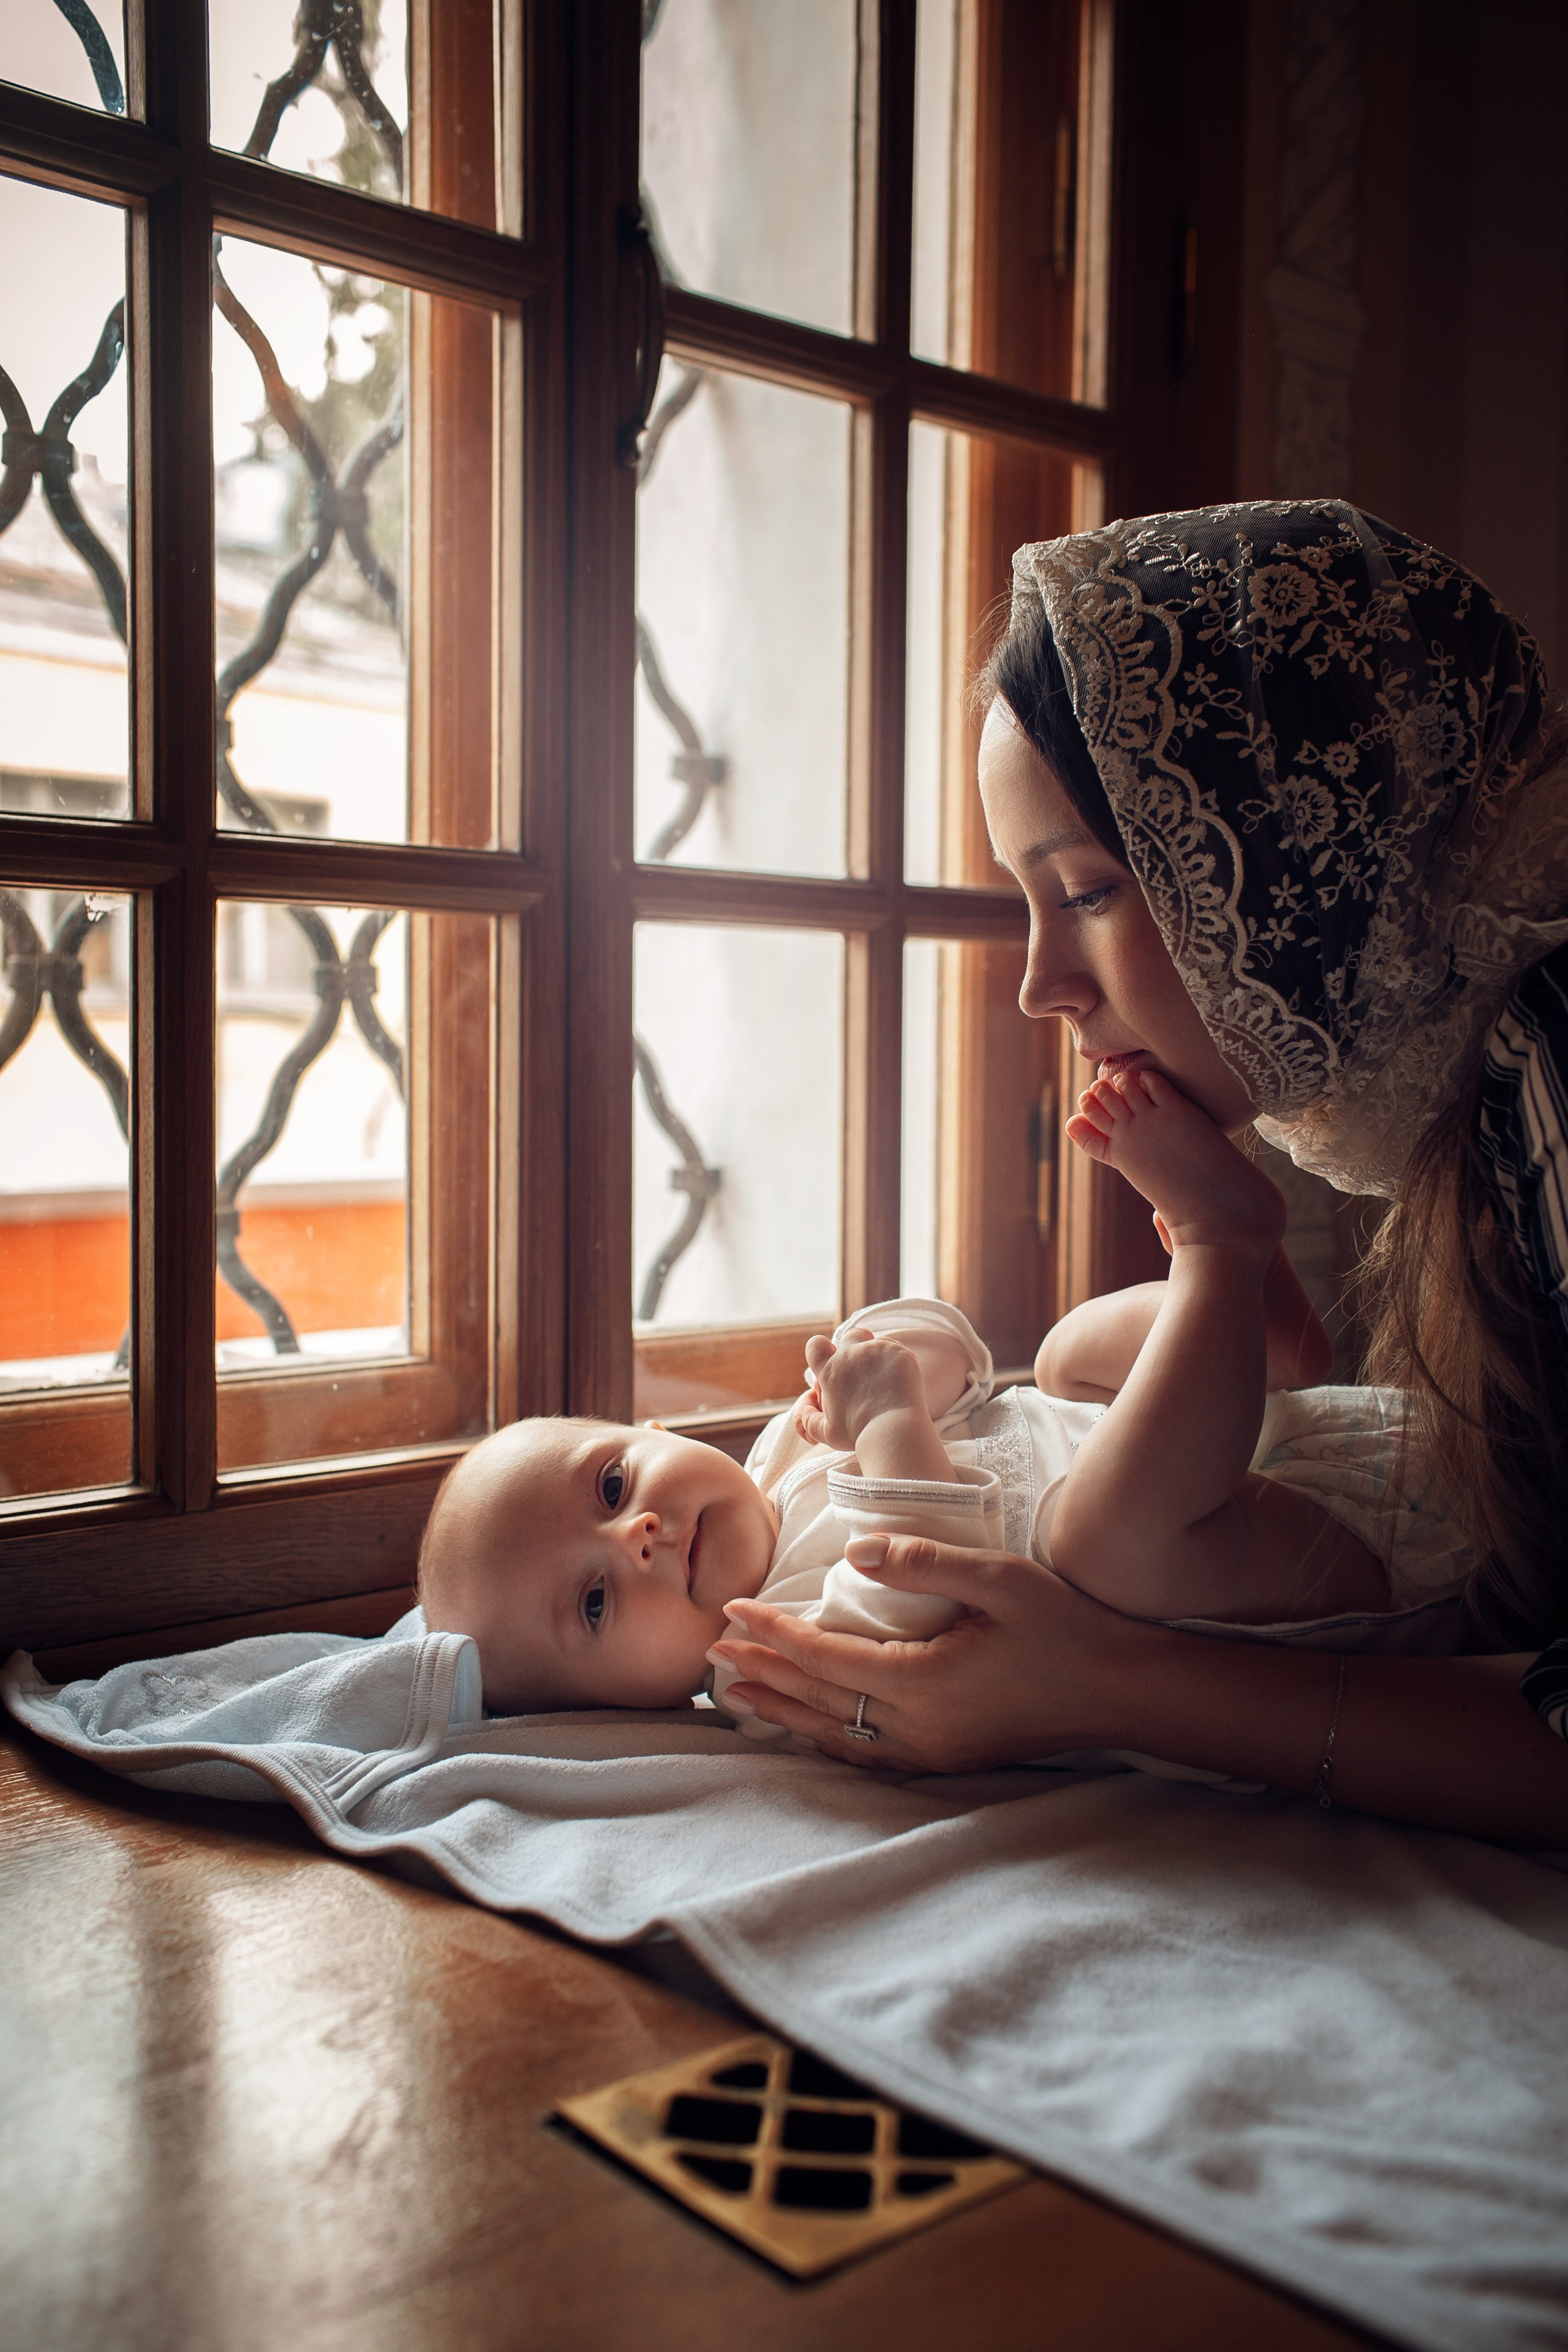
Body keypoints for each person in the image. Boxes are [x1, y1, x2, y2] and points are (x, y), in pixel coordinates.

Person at [704, 500, 1568, 1846]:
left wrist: (1098, 1686)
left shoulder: (1553, 1065)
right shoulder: (1470, 1118)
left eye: (1092, 892)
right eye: (1028, 901)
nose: (1040, 987)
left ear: (1288, 858)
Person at [419, 1077, 1471, 1727]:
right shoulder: (764, 1666)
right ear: (619, 1705)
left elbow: (964, 1362)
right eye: (596, 1602)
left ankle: (1263, 1333)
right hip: (1309, 1566)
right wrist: (880, 1422)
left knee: (1059, 1359)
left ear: (654, 1432)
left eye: (611, 1484)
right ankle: (1219, 1247)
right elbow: (922, 1596)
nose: (637, 1536)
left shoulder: (788, 1445)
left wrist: (889, 1359)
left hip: (1289, 1443)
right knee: (1089, 1532)